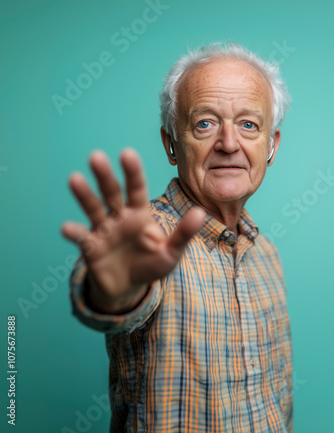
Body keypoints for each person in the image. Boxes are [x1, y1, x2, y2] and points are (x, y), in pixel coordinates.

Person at [62, 42, 293, 433]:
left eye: (249, 125)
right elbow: (115, 296)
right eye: (205, 123)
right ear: (171, 144)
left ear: (271, 145)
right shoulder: (148, 239)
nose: (229, 143)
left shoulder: (267, 253)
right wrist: (115, 291)